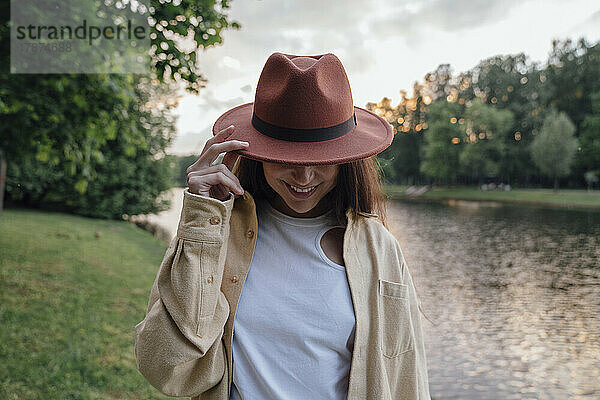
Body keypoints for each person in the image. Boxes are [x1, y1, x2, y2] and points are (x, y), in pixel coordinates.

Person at [134, 52, 431, 399]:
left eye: (321, 159)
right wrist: (201, 222)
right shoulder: (216, 234)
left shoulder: (379, 248)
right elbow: (164, 366)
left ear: (346, 160)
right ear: (258, 153)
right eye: (287, 158)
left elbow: (408, 375)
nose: (304, 176)